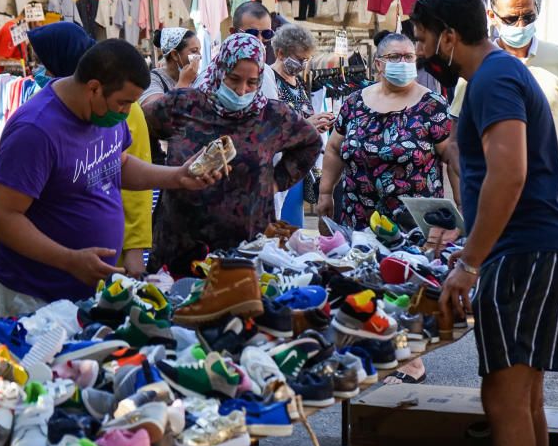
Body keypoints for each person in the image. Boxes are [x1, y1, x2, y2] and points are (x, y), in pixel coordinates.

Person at [413, 0, 558, 446]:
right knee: (523, 397)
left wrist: (471, 261)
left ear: (448, 34)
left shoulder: (492, 78)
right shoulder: (497, 76)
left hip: (527, 249)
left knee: (506, 399)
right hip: (539, 245)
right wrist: (467, 236)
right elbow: (505, 177)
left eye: (421, 39)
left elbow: (508, 174)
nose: (419, 53)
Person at [0, 39, 220, 315]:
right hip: (31, 295)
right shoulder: (35, 130)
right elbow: (2, 218)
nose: (127, 111)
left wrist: (177, 177)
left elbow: (118, 164)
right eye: (123, 102)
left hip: (86, 293)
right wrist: (69, 260)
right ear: (94, 87)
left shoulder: (108, 115)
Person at [486, 0, 558, 407]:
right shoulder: (479, 66)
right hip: (501, 208)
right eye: (512, 17)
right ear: (493, 15)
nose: (521, 23)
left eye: (529, 15)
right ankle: (521, 412)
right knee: (509, 317)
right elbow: (463, 145)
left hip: (549, 205)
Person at [144, 33, 322, 276]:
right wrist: (162, 174)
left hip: (247, 245)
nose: (241, 91)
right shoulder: (183, 105)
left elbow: (310, 142)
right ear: (219, 70)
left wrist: (276, 181)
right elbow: (141, 128)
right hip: (181, 241)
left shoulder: (272, 116)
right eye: (233, 79)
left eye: (252, 82)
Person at [319, 33, 453, 230]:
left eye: (409, 57)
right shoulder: (354, 103)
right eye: (394, 57)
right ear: (378, 64)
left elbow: (453, 160)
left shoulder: (433, 106)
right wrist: (325, 193)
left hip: (413, 227)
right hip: (359, 222)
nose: (403, 62)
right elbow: (333, 148)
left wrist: (460, 208)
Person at [270, 23, 333, 226]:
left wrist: (317, 124)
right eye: (299, 59)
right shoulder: (269, 81)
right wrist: (306, 125)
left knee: (294, 229)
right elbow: (271, 127)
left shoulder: (297, 84)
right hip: (279, 166)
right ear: (281, 53)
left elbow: (303, 119)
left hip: (296, 170)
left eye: (307, 59)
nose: (303, 64)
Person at [140, 27, 201, 107]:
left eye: (199, 50)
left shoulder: (196, 79)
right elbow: (153, 112)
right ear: (175, 55)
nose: (200, 56)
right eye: (194, 51)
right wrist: (183, 83)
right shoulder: (153, 79)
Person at [229, 1, 278, 100]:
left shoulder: (268, 72)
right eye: (251, 33)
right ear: (233, 32)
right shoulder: (214, 76)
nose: (258, 40)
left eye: (266, 34)